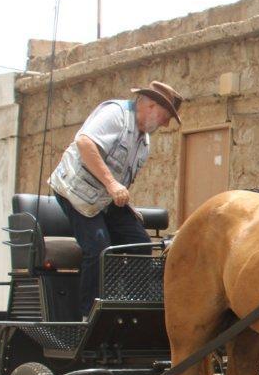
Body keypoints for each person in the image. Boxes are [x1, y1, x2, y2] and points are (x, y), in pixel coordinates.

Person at [49, 81, 184, 316]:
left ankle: (132, 305)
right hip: (75, 192)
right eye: (166, 116)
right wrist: (112, 184)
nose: (166, 123)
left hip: (103, 199)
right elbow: (85, 142)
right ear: (151, 105)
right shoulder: (116, 114)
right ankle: (89, 315)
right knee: (100, 247)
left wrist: (118, 195)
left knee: (140, 242)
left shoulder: (144, 142)